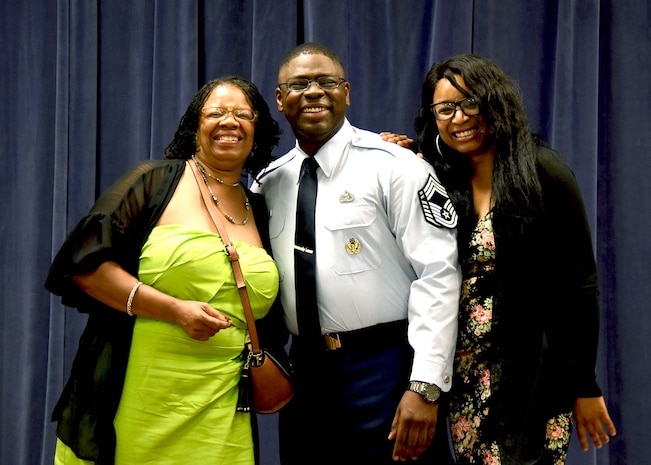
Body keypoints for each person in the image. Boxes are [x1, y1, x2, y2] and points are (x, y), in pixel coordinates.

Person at [45, 76, 286, 465]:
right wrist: (174, 310)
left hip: (221, 406)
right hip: (140, 396)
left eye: (243, 113)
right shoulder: (154, 182)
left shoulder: (260, 204)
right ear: (195, 127)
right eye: (216, 113)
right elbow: (84, 265)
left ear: (257, 129)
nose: (229, 121)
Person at [390, 53, 616, 464]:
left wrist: (585, 384)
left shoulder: (543, 171)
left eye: (470, 103)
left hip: (533, 374)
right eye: (446, 108)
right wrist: (394, 152)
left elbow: (580, 284)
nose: (459, 117)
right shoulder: (438, 175)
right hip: (465, 374)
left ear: (495, 102)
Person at [251, 42, 461, 464]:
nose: (313, 92)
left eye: (326, 82)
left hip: (386, 366)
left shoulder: (396, 166)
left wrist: (425, 385)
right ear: (279, 99)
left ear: (347, 92)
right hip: (305, 372)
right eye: (299, 84)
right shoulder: (268, 185)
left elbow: (439, 274)